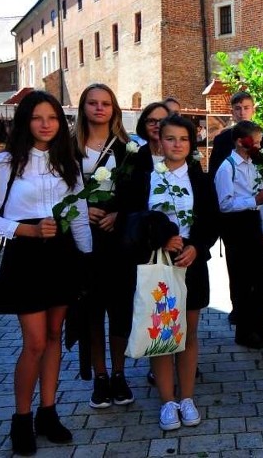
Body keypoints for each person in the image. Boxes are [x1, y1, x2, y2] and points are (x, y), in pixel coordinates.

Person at [0, 90, 92, 456]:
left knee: (56, 334)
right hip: (25, 256)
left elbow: (81, 215)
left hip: (62, 256)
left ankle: (48, 412)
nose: (46, 124)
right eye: (38, 117)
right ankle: (21, 418)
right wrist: (26, 230)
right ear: (25, 121)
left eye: (53, 118)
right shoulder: (7, 163)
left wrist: (86, 260)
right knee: (35, 342)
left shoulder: (67, 162)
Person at [121, 114, 219, 431]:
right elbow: (132, 219)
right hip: (156, 264)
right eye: (170, 138)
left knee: (188, 334)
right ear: (159, 141)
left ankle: (187, 396)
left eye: (183, 139)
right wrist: (159, 237)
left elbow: (211, 222)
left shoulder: (201, 180)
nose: (176, 144)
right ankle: (167, 401)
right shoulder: (143, 177)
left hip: (190, 264)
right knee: (163, 333)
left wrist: (197, 248)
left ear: (191, 144)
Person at [73, 83, 134, 409]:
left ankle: (120, 373)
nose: (99, 108)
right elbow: (57, 192)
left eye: (105, 103)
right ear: (83, 107)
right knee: (92, 310)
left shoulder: (127, 148)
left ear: (114, 109)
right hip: (84, 240)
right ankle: (99, 375)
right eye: (93, 103)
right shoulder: (69, 147)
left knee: (120, 309)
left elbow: (138, 194)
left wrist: (119, 213)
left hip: (118, 239)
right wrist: (82, 208)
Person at [214, 120, 263, 350]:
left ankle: (259, 326)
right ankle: (244, 331)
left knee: (262, 279)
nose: (260, 147)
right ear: (242, 142)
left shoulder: (254, 164)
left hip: (252, 223)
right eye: (256, 142)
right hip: (236, 226)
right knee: (243, 280)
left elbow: (260, 200)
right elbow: (224, 204)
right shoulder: (227, 167)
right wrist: (254, 200)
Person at [129, 101, 171, 387]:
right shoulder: (136, 158)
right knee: (154, 306)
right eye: (151, 121)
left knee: (177, 303)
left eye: (162, 120)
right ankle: (158, 364)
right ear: (144, 126)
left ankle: (181, 358)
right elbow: (131, 201)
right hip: (148, 244)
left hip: (179, 243)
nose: (156, 125)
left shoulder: (182, 154)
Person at [208, 91, 263, 175]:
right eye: (238, 108)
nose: (242, 113)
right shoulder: (221, 140)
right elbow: (214, 171)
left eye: (246, 108)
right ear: (232, 112)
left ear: (253, 110)